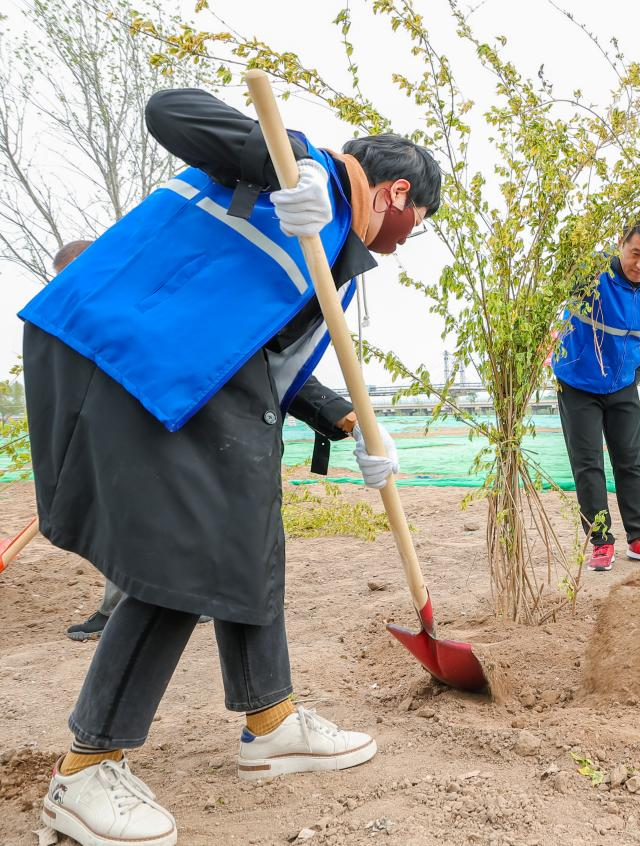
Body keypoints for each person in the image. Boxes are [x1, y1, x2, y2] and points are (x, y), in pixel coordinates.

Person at [21, 87, 441, 846]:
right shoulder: (298, 165)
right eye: (417, 225)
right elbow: (166, 108)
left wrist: (354, 427)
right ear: (398, 192)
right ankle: (86, 770)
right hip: (122, 352)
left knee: (249, 525)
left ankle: (270, 722)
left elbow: (264, 366)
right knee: (182, 550)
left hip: (192, 380)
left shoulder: (331, 257)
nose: (408, 238)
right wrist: (292, 171)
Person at [50, 241, 216, 642]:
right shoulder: (85, 315)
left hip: (157, 431)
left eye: (71, 274)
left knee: (149, 520)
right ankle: (160, 604)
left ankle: (145, 608)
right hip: (118, 434)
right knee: (127, 521)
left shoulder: (139, 306)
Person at [552, 215, 640, 572]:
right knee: (588, 465)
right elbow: (557, 280)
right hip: (578, 382)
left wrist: (636, 370)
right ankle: (601, 541)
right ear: (620, 243)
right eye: (635, 253)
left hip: (622, 383)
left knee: (630, 463)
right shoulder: (591, 270)